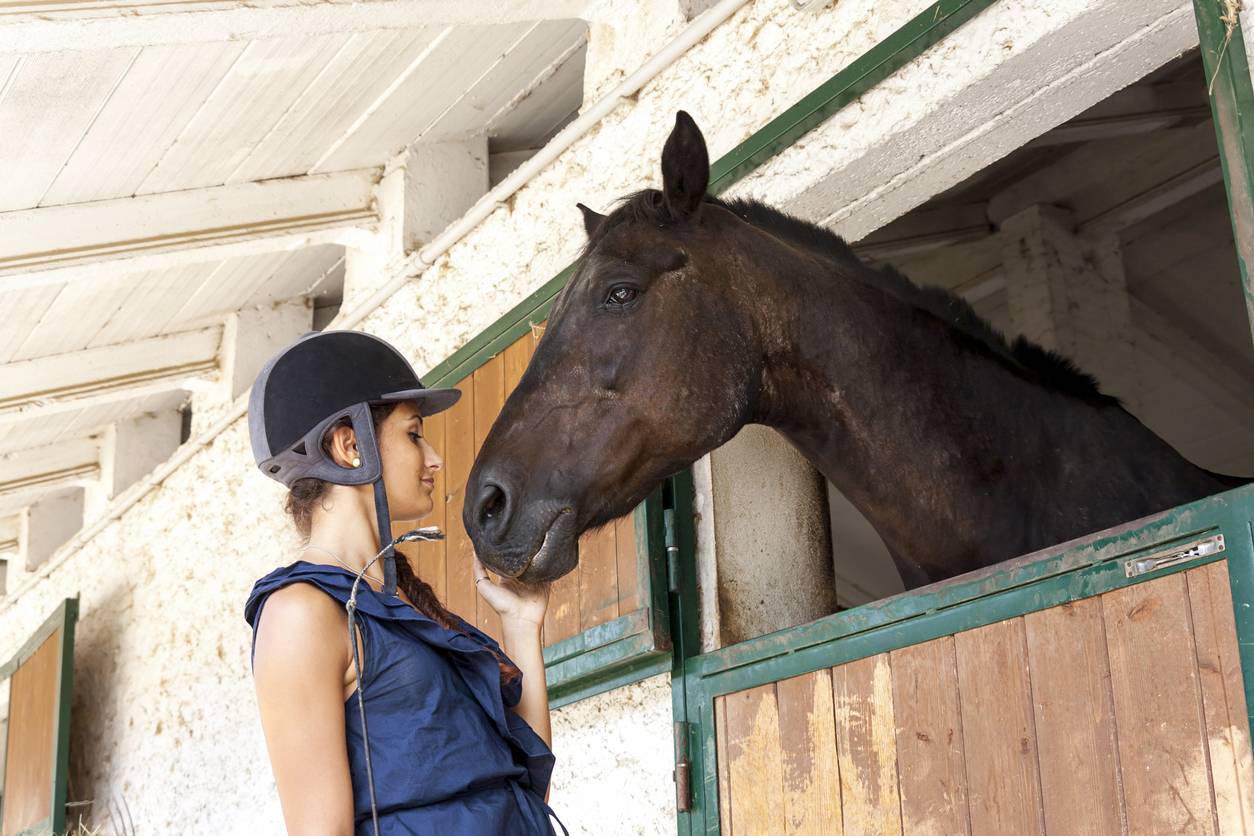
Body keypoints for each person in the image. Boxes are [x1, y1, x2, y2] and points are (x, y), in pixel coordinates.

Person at [242, 330, 563, 835]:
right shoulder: (300, 614)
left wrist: (522, 626)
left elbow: (524, 790)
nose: (434, 457)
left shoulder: (400, 608)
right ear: (350, 446)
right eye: (414, 434)